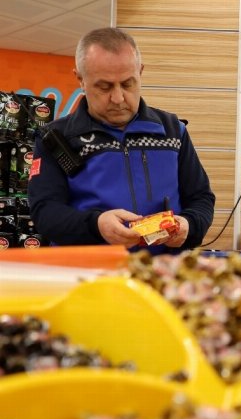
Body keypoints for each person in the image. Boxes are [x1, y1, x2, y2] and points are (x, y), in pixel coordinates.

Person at [29, 27, 215, 253]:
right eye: (104, 86)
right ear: (80, 79)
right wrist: (97, 225)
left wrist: (189, 225)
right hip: (91, 276)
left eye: (128, 84)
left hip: (163, 275)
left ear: (141, 72)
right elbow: (45, 213)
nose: (118, 98)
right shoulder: (56, 138)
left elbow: (201, 197)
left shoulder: (173, 131)